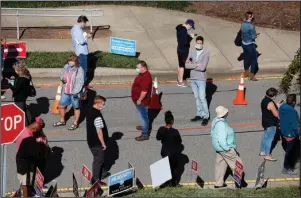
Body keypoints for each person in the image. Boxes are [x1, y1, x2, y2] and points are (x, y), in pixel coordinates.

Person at [210, 106, 247, 188]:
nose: (227, 112)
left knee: (220, 165)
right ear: (224, 114)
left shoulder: (215, 120)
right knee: (238, 164)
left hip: (218, 148)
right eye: (226, 111)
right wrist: (227, 148)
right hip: (225, 148)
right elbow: (221, 139)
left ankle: (218, 183)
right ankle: (239, 182)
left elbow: (213, 133)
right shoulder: (221, 125)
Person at [53, 55, 85, 130]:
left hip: (74, 92)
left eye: (72, 61)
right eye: (69, 60)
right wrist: (62, 79)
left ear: (76, 61)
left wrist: (75, 92)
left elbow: (80, 82)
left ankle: (75, 123)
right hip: (66, 91)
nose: (70, 62)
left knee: (76, 107)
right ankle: (62, 120)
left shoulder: (79, 69)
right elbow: (62, 74)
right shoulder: (66, 66)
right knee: (61, 106)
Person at [185, 36, 210, 126]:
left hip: (201, 78)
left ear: (202, 43)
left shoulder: (206, 52)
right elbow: (186, 65)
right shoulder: (192, 51)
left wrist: (192, 65)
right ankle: (199, 114)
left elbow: (203, 67)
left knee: (202, 97)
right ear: (195, 42)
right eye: (197, 43)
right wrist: (196, 65)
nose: (199, 44)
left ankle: (206, 116)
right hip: (193, 78)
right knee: (196, 97)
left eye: (200, 43)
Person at [86, 95, 109, 185]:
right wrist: (103, 143)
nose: (103, 105)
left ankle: (103, 173)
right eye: (102, 104)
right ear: (98, 104)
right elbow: (99, 131)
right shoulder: (97, 116)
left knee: (100, 158)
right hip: (97, 143)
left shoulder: (90, 110)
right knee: (98, 160)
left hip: (90, 140)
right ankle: (95, 180)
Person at [156, 111, 183, 187]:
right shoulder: (175, 131)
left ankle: (167, 182)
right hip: (172, 152)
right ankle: (174, 182)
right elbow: (179, 141)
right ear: (172, 121)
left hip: (164, 151)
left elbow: (158, 138)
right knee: (174, 168)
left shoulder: (161, 129)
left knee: (166, 167)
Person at [16, 121, 43, 186]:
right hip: (23, 159)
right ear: (34, 129)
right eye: (37, 131)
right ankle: (26, 194)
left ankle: (29, 187)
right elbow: (32, 151)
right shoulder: (27, 137)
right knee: (24, 179)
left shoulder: (24, 129)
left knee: (28, 176)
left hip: (24, 156)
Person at [131, 61, 153, 141]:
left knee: (143, 117)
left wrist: (139, 100)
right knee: (142, 115)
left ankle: (145, 134)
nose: (137, 69)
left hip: (142, 102)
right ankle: (145, 127)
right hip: (138, 100)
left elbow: (144, 91)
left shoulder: (146, 77)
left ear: (143, 68)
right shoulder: (142, 74)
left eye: (138, 67)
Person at [279, 94, 299, 175]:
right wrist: (297, 132)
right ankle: (286, 168)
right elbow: (294, 125)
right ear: (294, 102)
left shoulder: (282, 107)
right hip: (290, 134)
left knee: (287, 149)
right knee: (289, 152)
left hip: (283, 131)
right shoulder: (293, 112)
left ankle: (288, 166)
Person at [260, 87, 279, 161]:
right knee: (269, 139)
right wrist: (278, 107)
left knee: (265, 136)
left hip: (265, 121)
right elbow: (276, 114)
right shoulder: (270, 103)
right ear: (273, 95)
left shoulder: (263, 100)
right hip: (271, 123)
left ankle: (262, 151)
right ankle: (267, 155)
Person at [71, 15, 91, 81]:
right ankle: (82, 86)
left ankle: (80, 85)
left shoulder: (75, 28)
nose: (85, 25)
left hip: (79, 51)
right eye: (85, 23)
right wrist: (86, 37)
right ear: (82, 21)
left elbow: (79, 38)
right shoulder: (77, 30)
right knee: (83, 71)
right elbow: (81, 41)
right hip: (82, 52)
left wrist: (85, 34)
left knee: (80, 70)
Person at [176, 19, 195, 87]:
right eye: (190, 27)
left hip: (179, 49)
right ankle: (180, 82)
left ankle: (178, 79)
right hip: (183, 50)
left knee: (179, 64)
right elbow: (185, 42)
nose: (190, 28)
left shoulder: (179, 27)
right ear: (189, 25)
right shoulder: (184, 31)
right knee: (182, 66)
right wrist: (191, 38)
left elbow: (182, 38)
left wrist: (187, 36)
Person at [241, 11, 260, 81]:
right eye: (252, 16)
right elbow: (253, 37)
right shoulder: (251, 26)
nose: (253, 17)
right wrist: (256, 35)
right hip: (250, 44)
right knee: (254, 60)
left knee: (246, 57)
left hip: (243, 43)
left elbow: (243, 32)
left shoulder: (242, 24)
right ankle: (252, 75)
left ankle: (246, 72)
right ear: (250, 17)